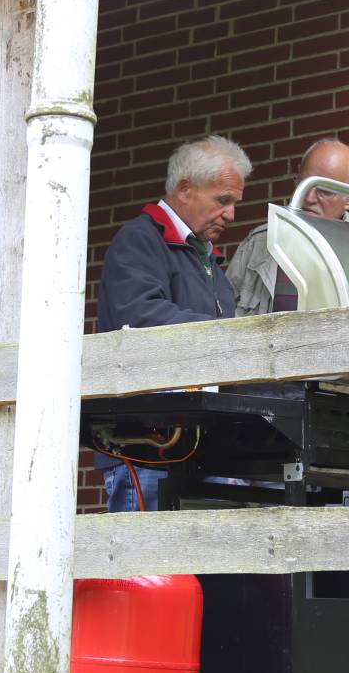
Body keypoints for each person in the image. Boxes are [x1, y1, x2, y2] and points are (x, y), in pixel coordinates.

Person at [226, 137, 349, 673]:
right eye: (310, 183)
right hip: (271, 429)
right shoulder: (261, 245)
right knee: (271, 572)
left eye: (330, 189)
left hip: (348, 433)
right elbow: (228, 324)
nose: (315, 198)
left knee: (345, 571)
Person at [96, 135, 252, 512]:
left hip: (202, 442)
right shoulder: (139, 240)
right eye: (222, 200)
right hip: (148, 446)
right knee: (147, 568)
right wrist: (234, 336)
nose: (231, 215)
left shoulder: (208, 259)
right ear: (185, 189)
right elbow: (142, 319)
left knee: (210, 569)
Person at [229, 138, 349, 317]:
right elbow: (223, 318)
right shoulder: (257, 243)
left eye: (324, 190)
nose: (308, 197)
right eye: (304, 184)